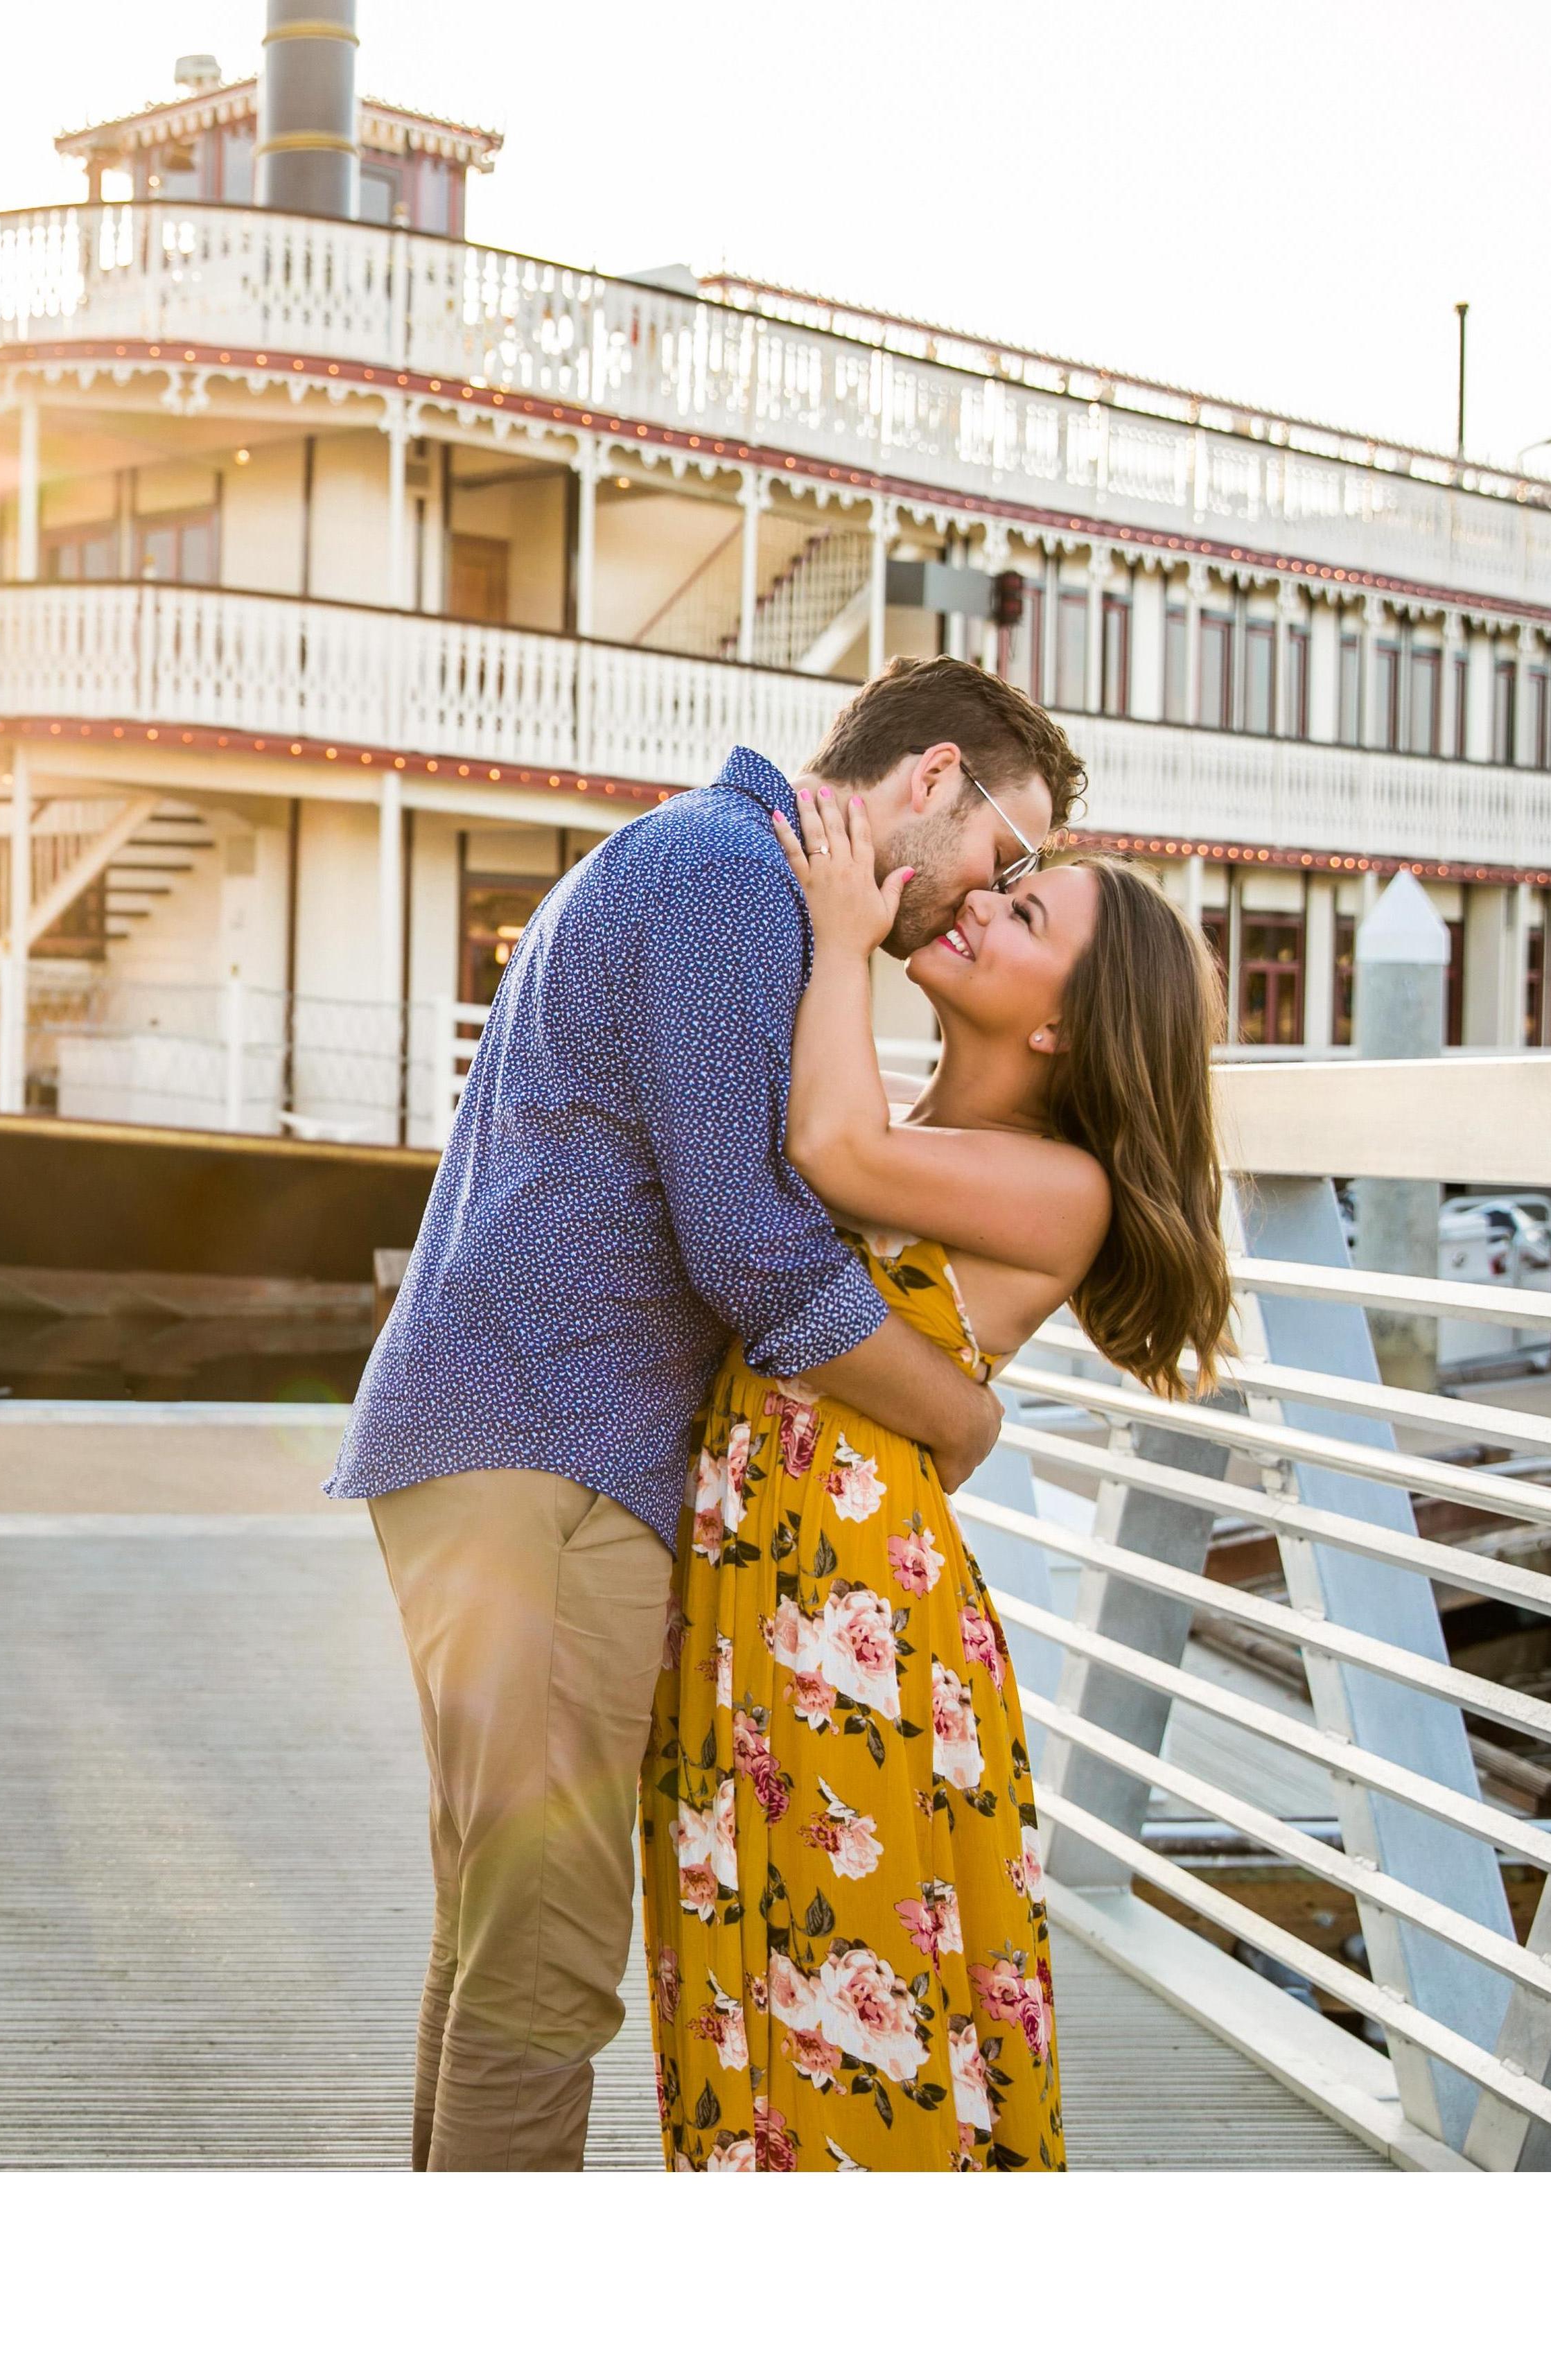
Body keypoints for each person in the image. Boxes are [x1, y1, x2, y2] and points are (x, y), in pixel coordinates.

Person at [330, 655, 1086, 2170]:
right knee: (544, 1960)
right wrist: (960, 1419)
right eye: (1005, 855)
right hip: (542, 1446)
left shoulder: (723, 867)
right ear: (933, 779)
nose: (986, 896)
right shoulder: (727, 877)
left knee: (494, 1932)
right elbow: (748, 1244)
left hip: (523, 1438)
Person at [642, 780, 1232, 2171]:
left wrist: (840, 935)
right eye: (1001, 888)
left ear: (1062, 1026)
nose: (976, 905)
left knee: (847, 2002)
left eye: (1022, 915)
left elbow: (829, 1153)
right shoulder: (918, 1124)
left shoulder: (1062, 1184)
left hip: (853, 1621)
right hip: (749, 1588)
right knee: (738, 1978)